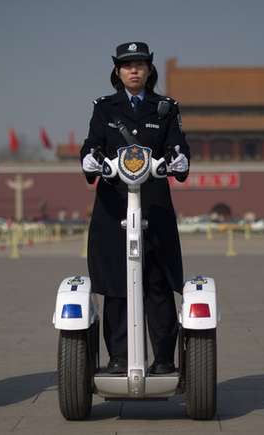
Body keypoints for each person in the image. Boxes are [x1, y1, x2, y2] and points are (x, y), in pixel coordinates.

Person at [80, 42, 190, 375]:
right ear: (117, 71)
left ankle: (164, 359)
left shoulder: (166, 107)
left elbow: (178, 147)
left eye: (140, 65)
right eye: (127, 65)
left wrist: (180, 159)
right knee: (116, 285)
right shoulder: (105, 108)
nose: (133, 70)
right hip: (114, 207)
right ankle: (117, 358)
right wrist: (88, 158)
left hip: (154, 208)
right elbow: (92, 145)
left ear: (149, 70)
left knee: (157, 284)